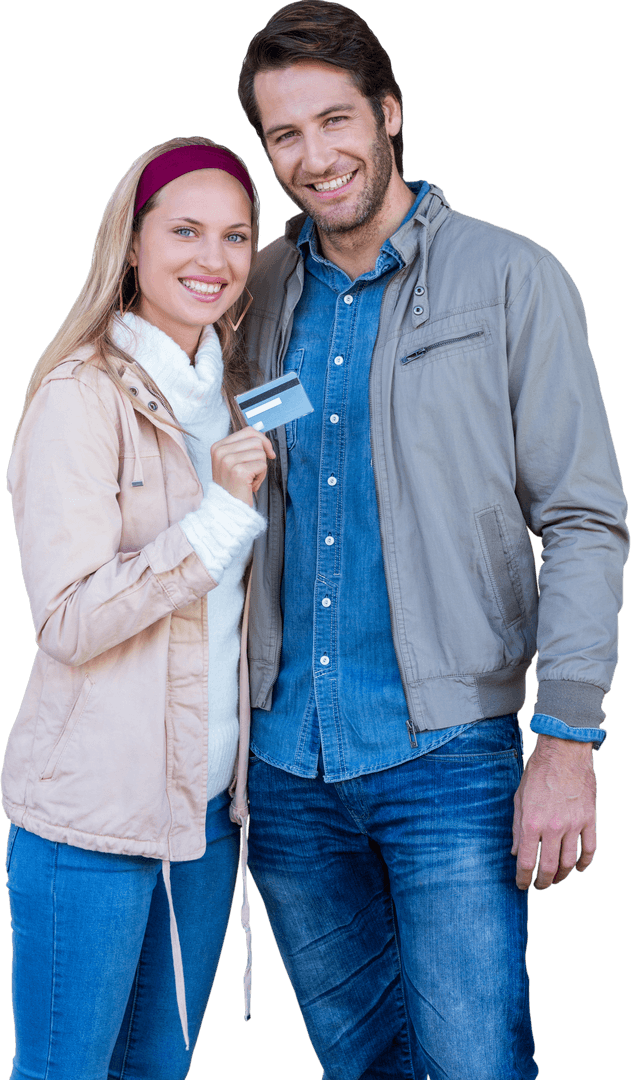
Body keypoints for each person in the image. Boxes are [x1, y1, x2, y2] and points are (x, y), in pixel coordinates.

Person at [236, 4, 629, 1078]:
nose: (315, 157)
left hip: (446, 758)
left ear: (391, 112)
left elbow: (584, 519)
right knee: (364, 1065)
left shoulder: (512, 279)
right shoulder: (253, 296)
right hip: (281, 764)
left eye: (335, 119)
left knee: (475, 1063)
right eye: (284, 135)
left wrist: (566, 741)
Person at [2, 135, 275, 1080]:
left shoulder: (237, 398)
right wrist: (214, 523)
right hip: (90, 821)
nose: (214, 260)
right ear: (131, 243)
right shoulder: (79, 399)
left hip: (203, 818)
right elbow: (69, 619)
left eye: (236, 236)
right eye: (186, 231)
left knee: (156, 1073)